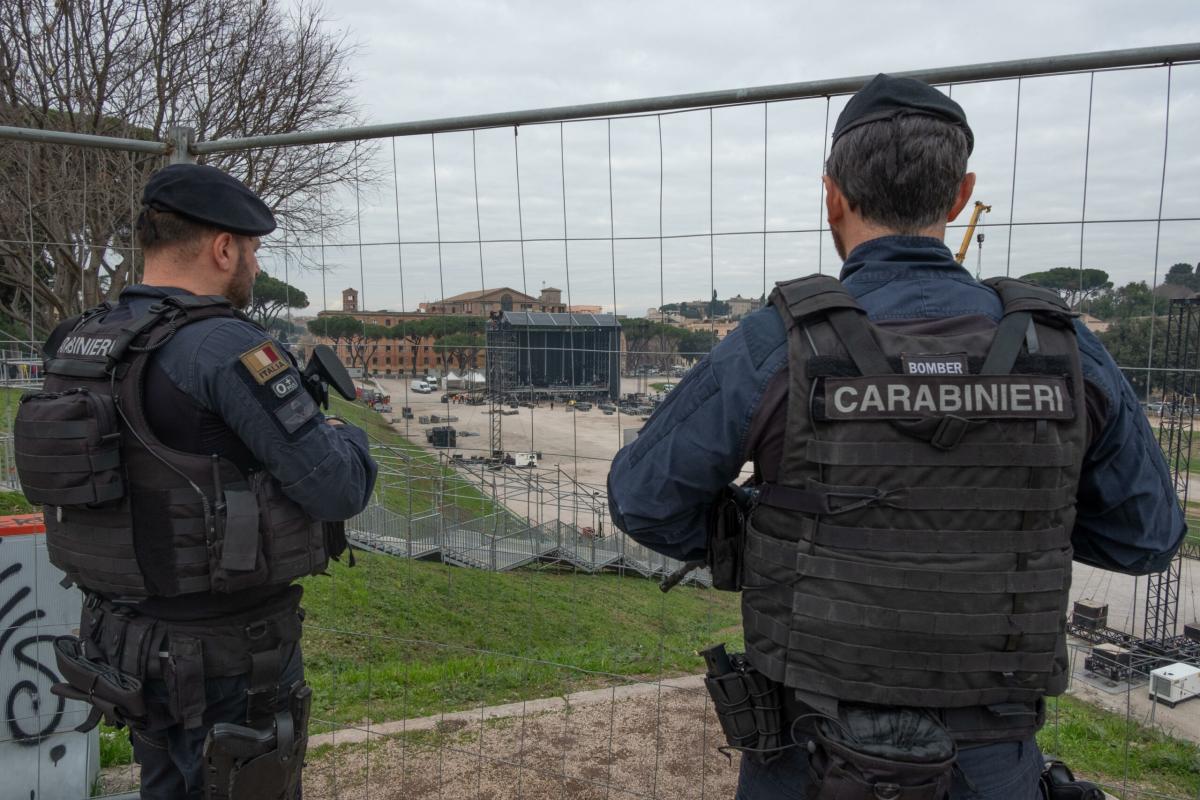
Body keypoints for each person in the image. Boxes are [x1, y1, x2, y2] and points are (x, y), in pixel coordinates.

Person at [607, 75, 1185, 800]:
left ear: (833, 197)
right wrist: (1004, 526)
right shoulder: (1064, 347)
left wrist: (785, 540)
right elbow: (1147, 536)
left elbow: (643, 500)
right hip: (992, 762)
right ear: (959, 196)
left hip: (807, 759)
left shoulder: (773, 343)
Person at [17, 163, 378, 799]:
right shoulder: (224, 346)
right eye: (254, 251)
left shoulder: (81, 340)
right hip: (224, 658)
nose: (257, 267)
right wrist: (344, 432)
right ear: (222, 248)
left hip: (121, 639)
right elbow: (337, 488)